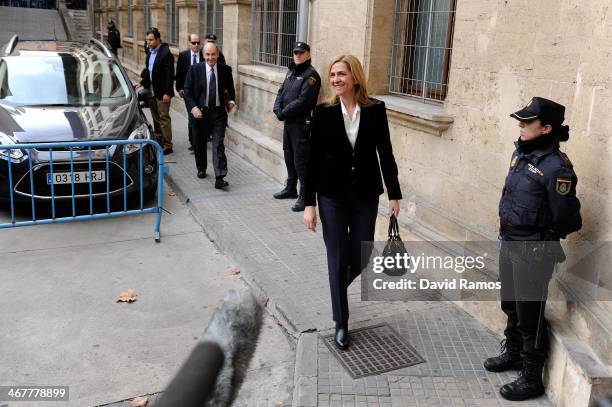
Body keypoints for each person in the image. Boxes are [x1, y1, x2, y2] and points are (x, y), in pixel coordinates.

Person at [485, 97, 581, 401]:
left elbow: (568, 217)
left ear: (547, 128)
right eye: (521, 121)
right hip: (510, 241)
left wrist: (544, 239)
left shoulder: (557, 168)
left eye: (528, 122)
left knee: (531, 315)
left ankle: (531, 376)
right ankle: (512, 353)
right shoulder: (522, 154)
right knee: (510, 304)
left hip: (533, 251)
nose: (521, 126)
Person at [303, 55, 402, 350]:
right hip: (331, 195)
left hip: (365, 194)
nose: (335, 80)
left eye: (341, 74)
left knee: (362, 253)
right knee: (336, 255)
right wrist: (309, 203)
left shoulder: (375, 110)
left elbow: (385, 152)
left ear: (355, 77)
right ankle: (341, 322)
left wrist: (394, 193)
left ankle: (337, 288)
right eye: (332, 75)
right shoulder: (323, 111)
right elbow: (311, 161)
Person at [273, 42, 321, 212]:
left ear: (308, 54)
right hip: (289, 123)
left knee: (301, 161)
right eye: (296, 53)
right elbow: (281, 92)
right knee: (288, 154)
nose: (298, 55)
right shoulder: (291, 71)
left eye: (301, 53)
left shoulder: (311, 76)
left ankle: (305, 197)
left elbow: (304, 101)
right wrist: (277, 108)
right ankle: (291, 188)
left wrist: (283, 113)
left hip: (302, 124)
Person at [184, 42, 236, 189]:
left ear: (218, 55)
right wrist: (193, 107)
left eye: (213, 54)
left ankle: (219, 177)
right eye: (207, 54)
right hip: (200, 113)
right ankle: (201, 168)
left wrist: (231, 101)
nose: (210, 57)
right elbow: (187, 91)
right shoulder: (194, 70)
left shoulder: (225, 70)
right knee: (199, 144)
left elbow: (231, 89)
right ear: (203, 55)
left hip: (218, 113)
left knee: (218, 144)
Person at [137, 28, 175, 154]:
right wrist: (141, 83)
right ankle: (158, 140)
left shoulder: (165, 53)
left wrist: (168, 93)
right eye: (147, 40)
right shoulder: (149, 52)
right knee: (155, 117)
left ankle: (168, 145)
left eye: (151, 40)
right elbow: (149, 72)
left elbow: (170, 75)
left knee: (164, 118)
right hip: (151, 91)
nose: (148, 42)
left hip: (162, 92)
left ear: (158, 39)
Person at [175, 33, 204, 152]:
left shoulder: (204, 55)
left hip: (202, 93)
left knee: (201, 116)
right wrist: (179, 88)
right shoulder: (183, 56)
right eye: (194, 43)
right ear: (189, 43)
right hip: (188, 92)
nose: (196, 45)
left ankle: (200, 139)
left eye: (198, 43)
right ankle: (193, 142)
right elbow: (179, 73)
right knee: (192, 115)